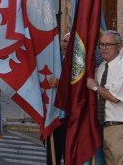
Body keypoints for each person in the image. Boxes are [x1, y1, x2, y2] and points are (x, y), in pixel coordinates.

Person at [87, 30, 123, 165]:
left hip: (122, 129)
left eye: (108, 45)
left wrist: (95, 87)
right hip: (107, 128)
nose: (104, 48)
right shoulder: (102, 67)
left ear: (119, 46)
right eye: (101, 44)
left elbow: (115, 98)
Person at [46, 32, 70, 165]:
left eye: (68, 41)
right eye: (64, 41)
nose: (65, 44)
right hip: (53, 114)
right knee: (53, 154)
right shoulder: (55, 60)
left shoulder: (76, 63)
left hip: (67, 116)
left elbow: (78, 86)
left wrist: (59, 83)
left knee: (67, 153)